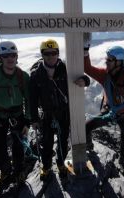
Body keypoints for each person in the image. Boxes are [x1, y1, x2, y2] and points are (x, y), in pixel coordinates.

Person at [29, 39, 90, 180]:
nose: (51, 56)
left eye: (53, 53)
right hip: (47, 114)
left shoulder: (66, 69)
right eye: (47, 53)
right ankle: (46, 166)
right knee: (47, 142)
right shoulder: (36, 74)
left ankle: (61, 164)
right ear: (42, 55)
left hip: (64, 113)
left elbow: (84, 78)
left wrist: (84, 81)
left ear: (58, 53)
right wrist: (34, 119)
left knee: (62, 141)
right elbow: (32, 99)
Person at [84, 45, 124, 169]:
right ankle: (89, 148)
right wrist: (85, 51)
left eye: (110, 60)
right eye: (107, 59)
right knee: (87, 127)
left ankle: (122, 163)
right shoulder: (105, 75)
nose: (106, 62)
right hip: (109, 111)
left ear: (119, 62)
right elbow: (87, 68)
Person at [0, 41, 31, 187]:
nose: (10, 58)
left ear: (17, 57)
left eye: (12, 55)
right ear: (0, 58)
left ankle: (19, 170)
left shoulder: (23, 76)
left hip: (17, 114)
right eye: (5, 55)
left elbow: (29, 100)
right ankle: (5, 171)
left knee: (18, 145)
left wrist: (27, 121)